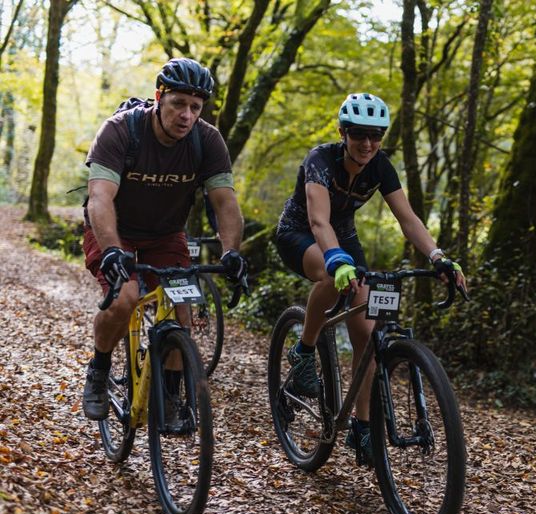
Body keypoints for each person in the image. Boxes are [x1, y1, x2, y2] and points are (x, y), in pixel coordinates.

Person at [275, 92, 467, 466]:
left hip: (344, 238)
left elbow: (408, 219)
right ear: (343, 133)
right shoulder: (320, 160)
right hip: (300, 232)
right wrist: (335, 259)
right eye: (359, 134)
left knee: (366, 332)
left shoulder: (380, 166)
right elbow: (318, 221)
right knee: (330, 277)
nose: (367, 143)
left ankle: (363, 426)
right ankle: (304, 351)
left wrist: (438, 257)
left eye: (376, 135)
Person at [81, 58, 248, 421]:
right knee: (124, 298)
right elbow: (100, 197)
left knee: (181, 309)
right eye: (178, 104)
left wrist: (231, 252)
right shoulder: (121, 131)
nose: (186, 115)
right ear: (159, 98)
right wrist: (112, 250)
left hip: (166, 234)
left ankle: (170, 396)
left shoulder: (207, 141)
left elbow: (225, 202)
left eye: (195, 107)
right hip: (113, 230)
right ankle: (99, 369)